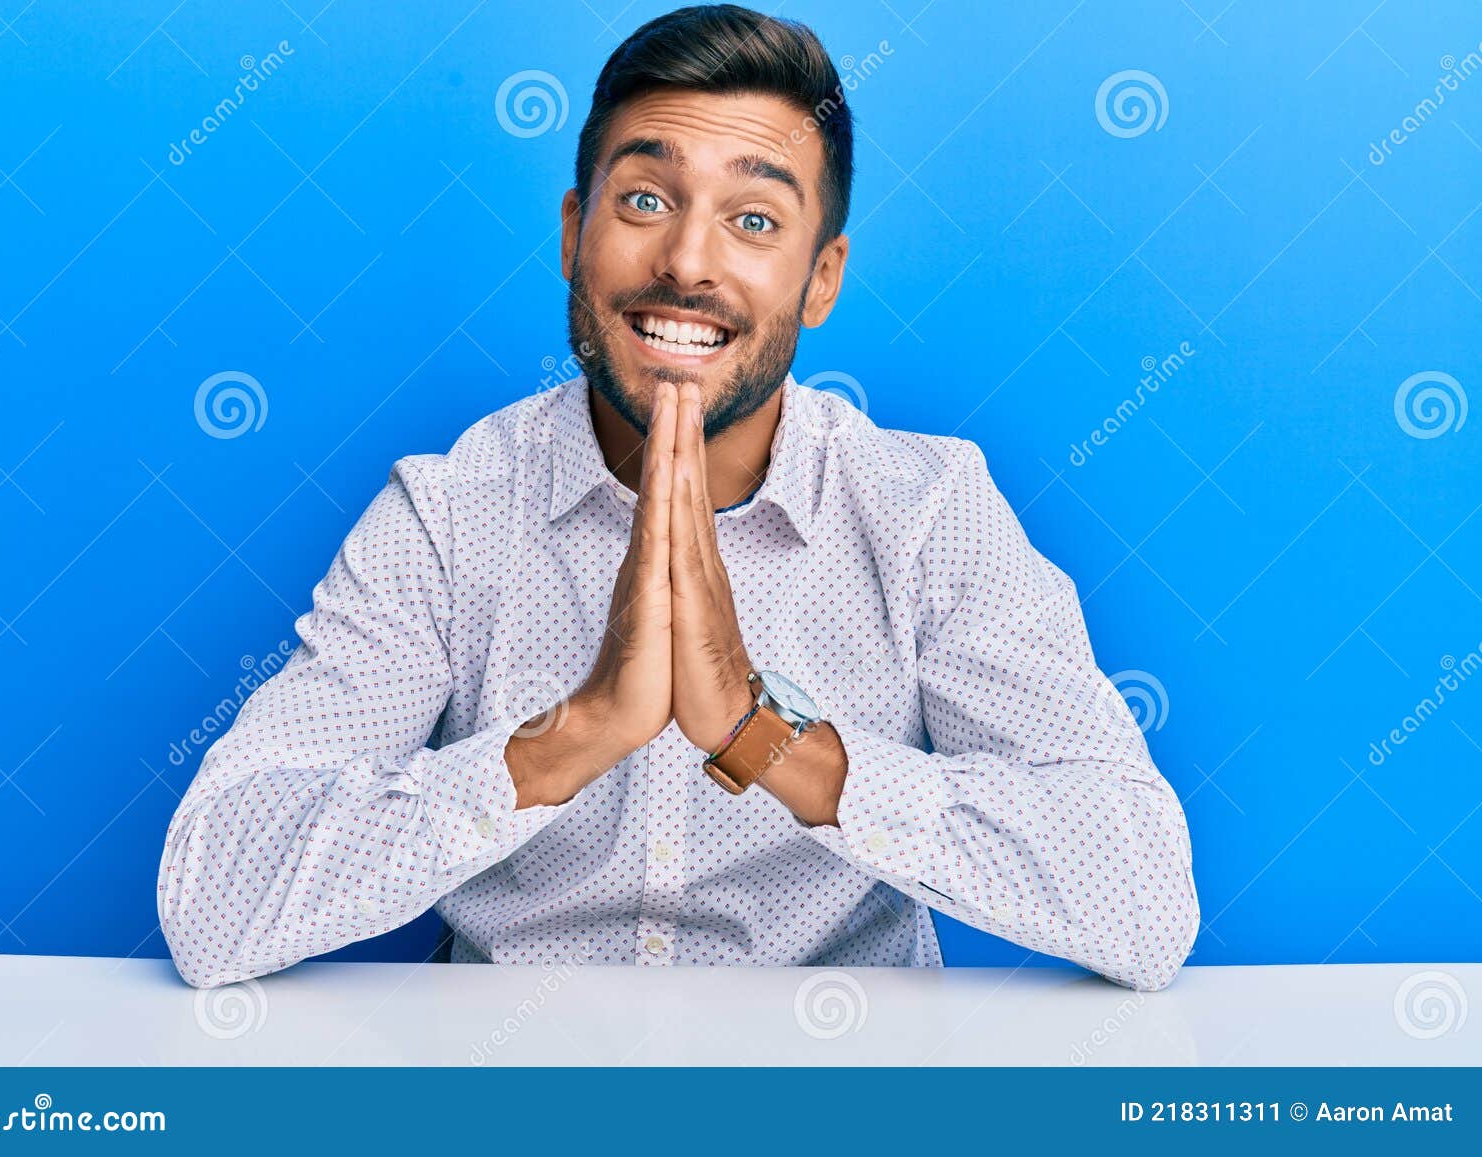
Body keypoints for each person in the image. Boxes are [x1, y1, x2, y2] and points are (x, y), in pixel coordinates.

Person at [157, 4, 1199, 991]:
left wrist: (764, 736)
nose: (687, 262)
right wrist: (572, 734)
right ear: (574, 232)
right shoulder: (453, 512)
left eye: (753, 218)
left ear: (820, 277)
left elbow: (1144, 902)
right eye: (645, 201)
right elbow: (212, 907)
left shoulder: (926, 510)